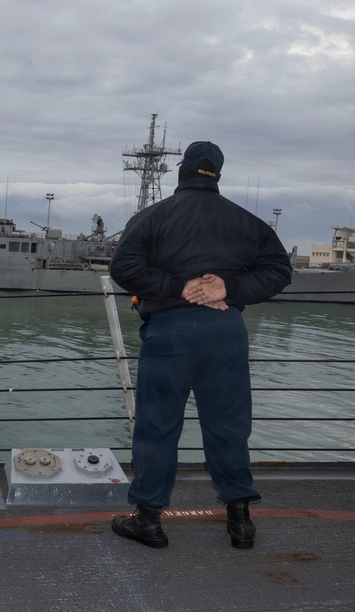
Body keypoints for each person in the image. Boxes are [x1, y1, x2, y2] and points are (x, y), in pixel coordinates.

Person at [108, 141, 292, 550]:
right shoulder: (248, 222)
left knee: (157, 427)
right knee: (228, 427)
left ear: (182, 170)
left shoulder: (153, 215)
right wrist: (231, 286)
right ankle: (240, 520)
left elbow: (123, 267)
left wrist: (178, 287)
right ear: (218, 175)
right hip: (227, 331)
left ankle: (149, 521)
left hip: (170, 331)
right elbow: (280, 269)